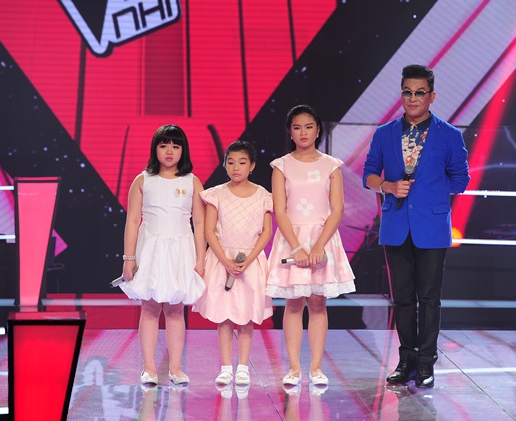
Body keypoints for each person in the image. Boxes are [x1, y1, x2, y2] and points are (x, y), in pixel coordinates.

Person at [362, 64, 470, 388]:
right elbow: (369, 175)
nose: (412, 98)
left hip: (432, 227)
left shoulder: (449, 135)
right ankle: (406, 360)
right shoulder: (384, 134)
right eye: (407, 92)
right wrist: (388, 186)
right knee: (403, 299)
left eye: (419, 93)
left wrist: (430, 191)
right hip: (396, 225)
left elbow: (461, 181)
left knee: (429, 299)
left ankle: (426, 363)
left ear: (431, 96)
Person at [266, 104, 356, 387]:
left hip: (322, 239)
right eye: (297, 127)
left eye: (308, 127)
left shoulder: (331, 165)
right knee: (293, 304)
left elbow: (337, 209)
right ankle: (294, 368)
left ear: (318, 130)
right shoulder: (281, 166)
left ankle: (316, 367)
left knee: (318, 303)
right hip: (291, 239)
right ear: (290, 132)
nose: (303, 132)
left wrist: (318, 246)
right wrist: (297, 248)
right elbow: (280, 211)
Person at [119, 124, 206, 386]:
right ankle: (149, 368)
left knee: (176, 310)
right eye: (164, 145)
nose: (169, 151)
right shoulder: (143, 180)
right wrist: (129, 259)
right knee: (149, 308)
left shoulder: (192, 182)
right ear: (155, 148)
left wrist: (200, 259)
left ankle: (176, 368)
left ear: (183, 150)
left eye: (175, 146)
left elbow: (200, 223)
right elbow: (132, 221)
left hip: (180, 251)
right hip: (151, 251)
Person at [193, 140, 274, 387]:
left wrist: (248, 260)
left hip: (251, 261)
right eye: (230, 162)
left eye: (241, 162)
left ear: (252, 166)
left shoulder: (263, 195)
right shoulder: (216, 194)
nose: (236, 168)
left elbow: (267, 232)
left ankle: (243, 368)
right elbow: (209, 231)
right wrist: (225, 261)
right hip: (221, 260)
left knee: (246, 317)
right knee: (225, 317)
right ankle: (226, 367)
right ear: (225, 165)